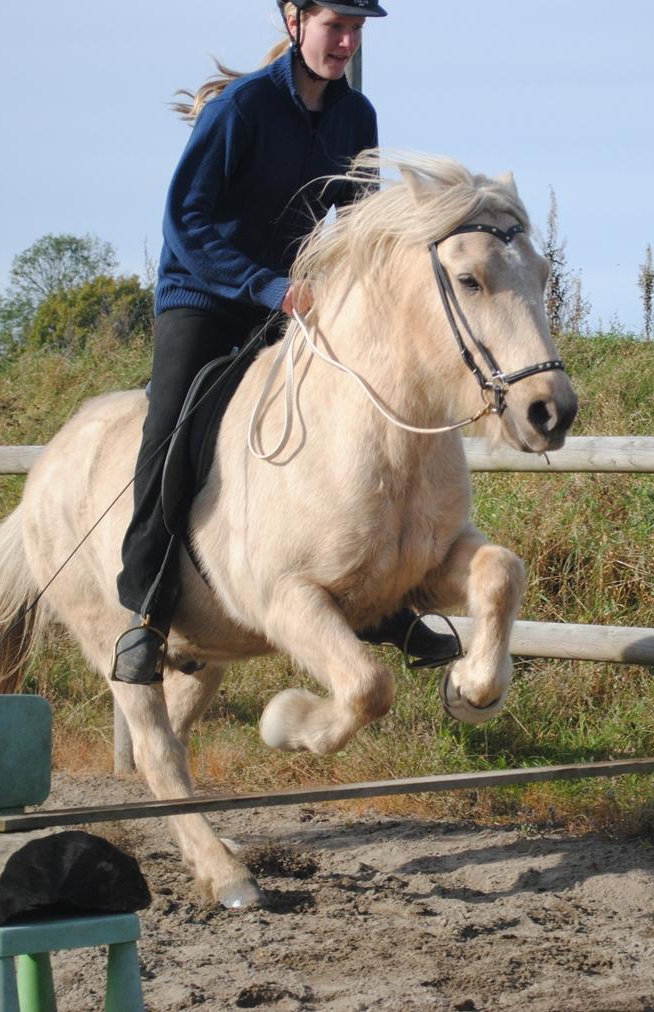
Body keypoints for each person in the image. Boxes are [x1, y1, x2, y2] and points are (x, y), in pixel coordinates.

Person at [114, 0, 460, 683]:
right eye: (337, 26)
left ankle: (388, 609)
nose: (347, 42)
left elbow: (359, 226)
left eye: (357, 30)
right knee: (173, 430)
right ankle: (147, 615)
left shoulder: (356, 117)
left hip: (290, 302)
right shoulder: (240, 109)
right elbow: (185, 219)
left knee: (353, 418)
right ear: (296, 20)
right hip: (204, 299)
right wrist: (266, 286)